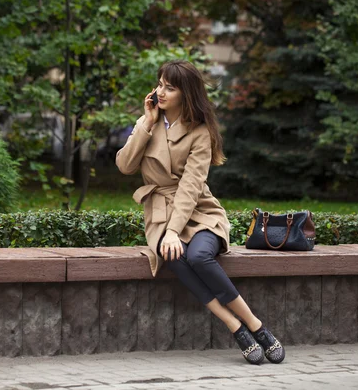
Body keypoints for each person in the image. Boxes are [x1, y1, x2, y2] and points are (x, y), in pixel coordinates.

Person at [115, 60, 285, 365]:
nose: (160, 91)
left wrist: (173, 232)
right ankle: (235, 327)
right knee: (174, 256)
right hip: (159, 214)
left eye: (170, 87)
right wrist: (145, 122)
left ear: (186, 93)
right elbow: (124, 165)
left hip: (200, 212)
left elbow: (191, 188)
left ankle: (257, 326)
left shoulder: (200, 131)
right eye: (160, 84)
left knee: (198, 257)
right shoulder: (149, 124)